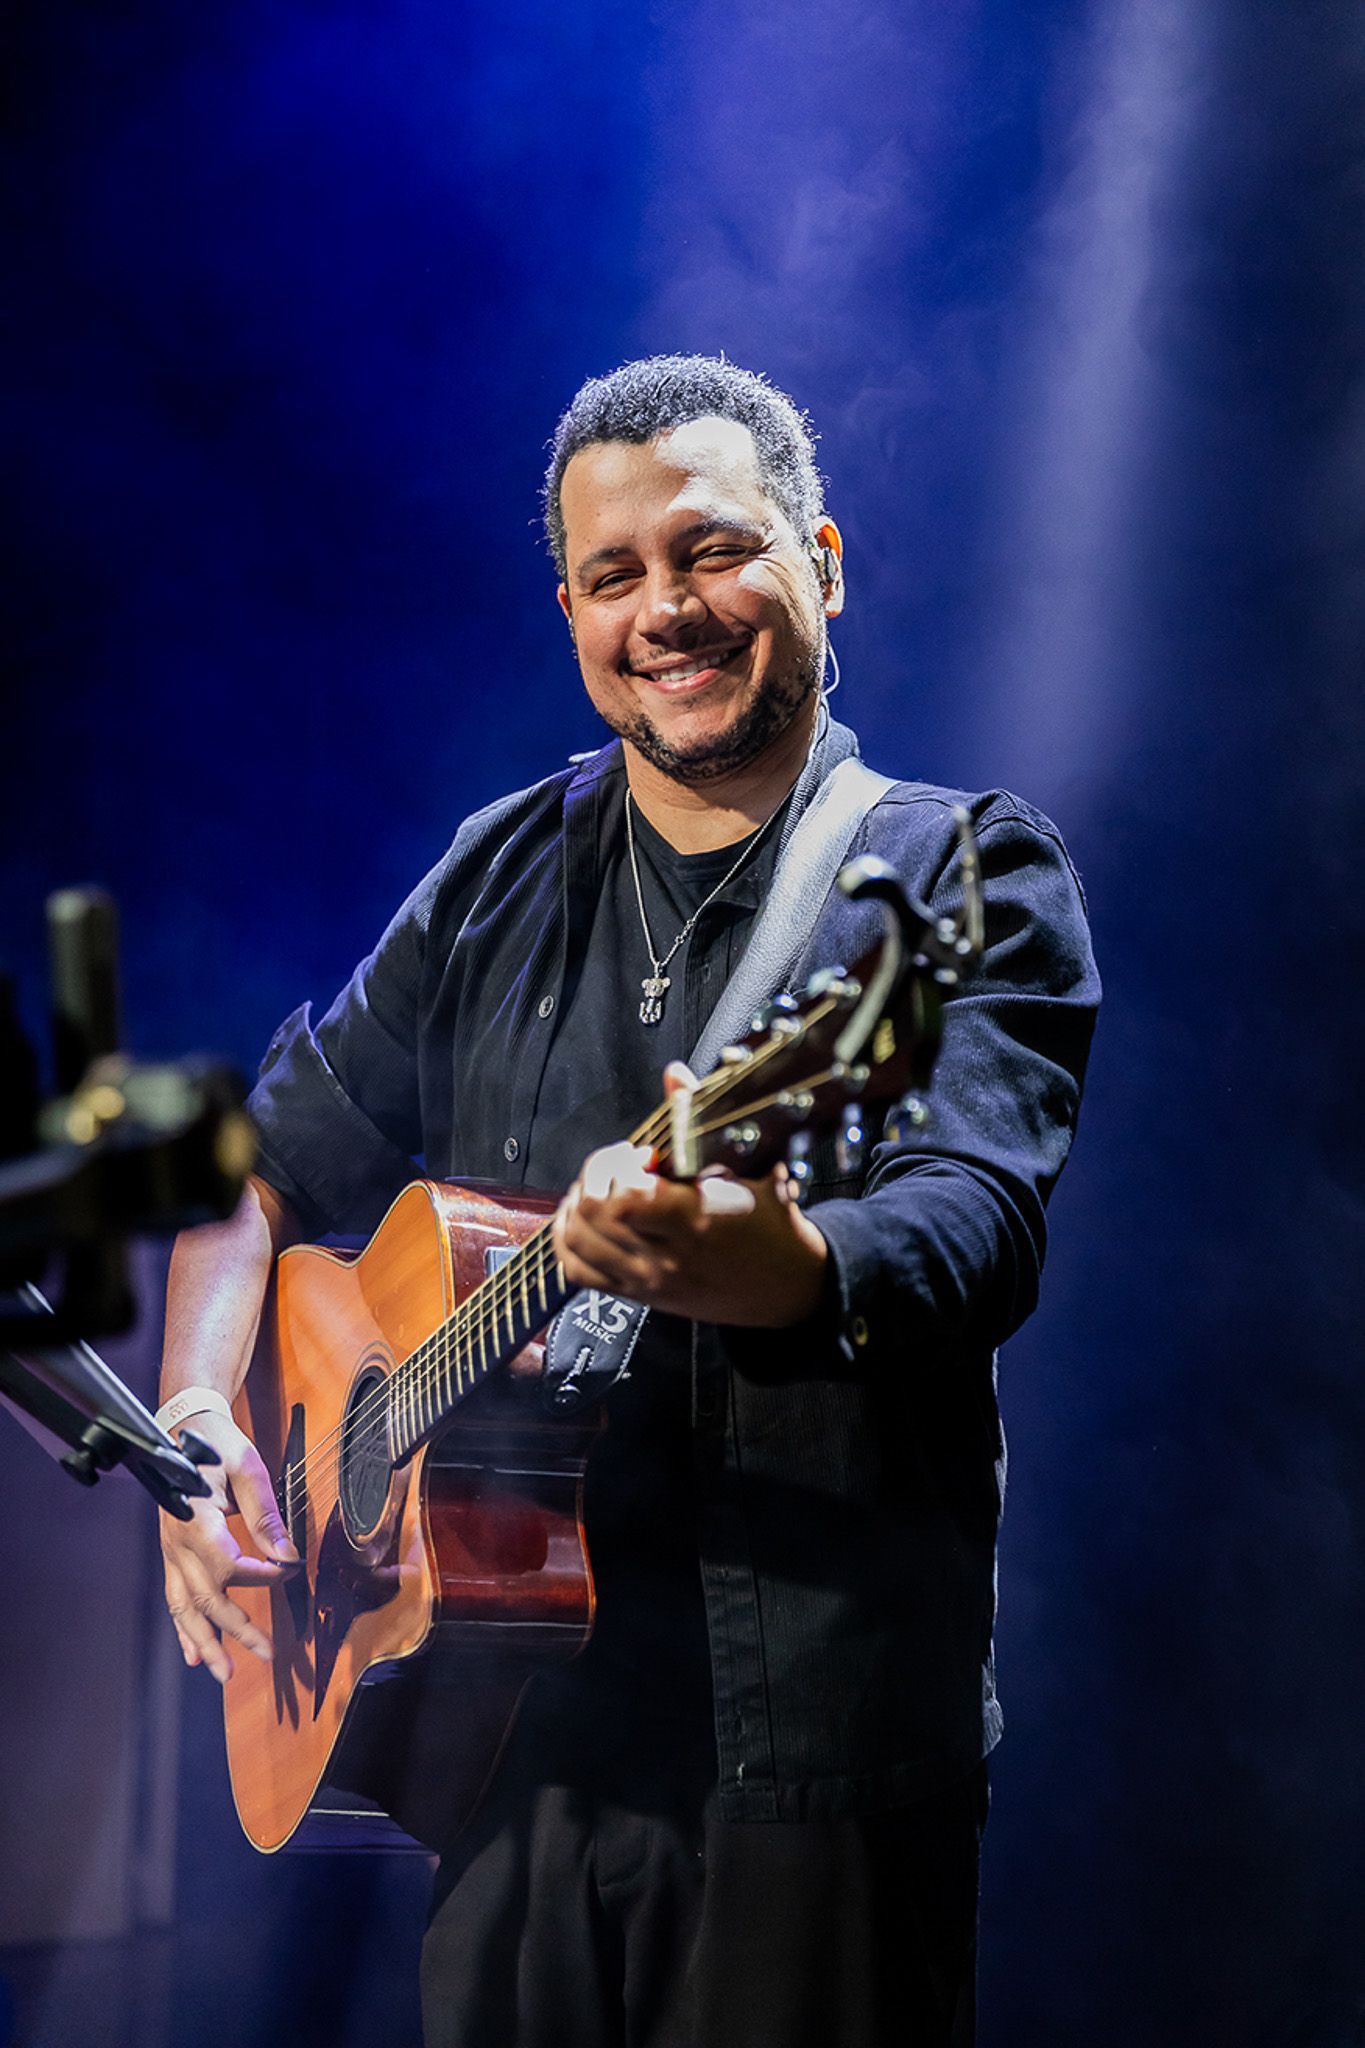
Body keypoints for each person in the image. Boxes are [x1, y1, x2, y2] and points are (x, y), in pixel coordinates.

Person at [157, 354, 1100, 2048]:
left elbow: (969, 1230)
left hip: (802, 1773)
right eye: (615, 577)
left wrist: (770, 1261)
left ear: (820, 557)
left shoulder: (954, 874)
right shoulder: (499, 870)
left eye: (713, 552)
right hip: (501, 1756)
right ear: (573, 610)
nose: (666, 609)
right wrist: (198, 1419)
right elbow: (245, 1167)